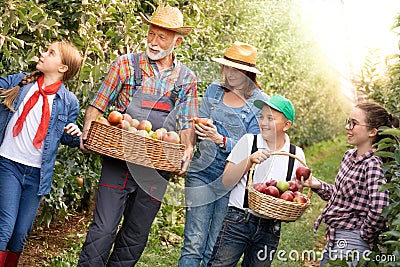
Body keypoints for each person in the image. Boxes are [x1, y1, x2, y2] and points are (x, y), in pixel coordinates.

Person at [78, 4, 198, 266]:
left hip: (156, 166)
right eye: (151, 35)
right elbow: (98, 105)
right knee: (103, 229)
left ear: (177, 41)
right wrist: (88, 127)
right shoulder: (125, 65)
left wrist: (187, 149)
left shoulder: (186, 79)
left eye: (161, 37)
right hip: (119, 158)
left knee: (136, 235)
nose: (153, 42)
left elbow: (188, 122)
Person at [179, 41, 268, 267]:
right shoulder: (214, 91)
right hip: (201, 172)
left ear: (248, 72)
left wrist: (222, 140)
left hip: (232, 179)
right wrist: (202, 128)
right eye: (227, 67)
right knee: (193, 242)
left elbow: (255, 145)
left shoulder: (260, 102)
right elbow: (198, 125)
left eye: (235, 69)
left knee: (214, 248)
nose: (229, 73)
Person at [0, 39, 82, 267]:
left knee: (20, 233)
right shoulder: (20, 82)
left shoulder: (68, 102)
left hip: (37, 174)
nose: (43, 54)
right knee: (4, 226)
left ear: (62, 68)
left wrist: (75, 133)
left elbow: (65, 136)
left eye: (51, 52)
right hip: (8, 164)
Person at [208, 94, 306, 267]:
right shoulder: (249, 142)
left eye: (270, 118)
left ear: (286, 125)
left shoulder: (296, 154)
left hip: (270, 228)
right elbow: (227, 180)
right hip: (238, 220)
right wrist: (249, 160)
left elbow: (294, 195)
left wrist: (298, 188)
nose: (263, 123)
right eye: (261, 117)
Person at [297, 102, 399, 266]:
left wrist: (365, 234)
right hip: (334, 236)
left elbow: (380, 208)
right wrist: (317, 185)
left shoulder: (372, 165)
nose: (347, 127)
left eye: (354, 123)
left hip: (352, 240)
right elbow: (343, 198)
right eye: (348, 121)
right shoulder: (349, 157)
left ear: (373, 131)